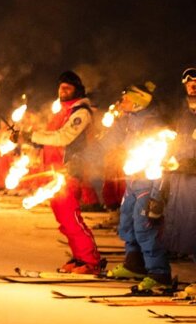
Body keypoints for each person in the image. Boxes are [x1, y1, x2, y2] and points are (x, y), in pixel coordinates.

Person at [29, 70, 103, 273]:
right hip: (55, 171)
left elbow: (63, 137)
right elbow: (49, 135)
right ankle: (79, 257)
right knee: (63, 217)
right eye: (61, 87)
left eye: (68, 88)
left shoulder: (80, 112)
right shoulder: (62, 111)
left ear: (77, 91)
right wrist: (29, 139)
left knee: (71, 216)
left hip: (71, 169)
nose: (63, 91)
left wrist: (32, 136)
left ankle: (91, 260)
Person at [103, 82, 171, 292]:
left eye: (126, 99)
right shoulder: (129, 120)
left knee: (145, 226)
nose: (122, 102)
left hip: (147, 182)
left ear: (139, 102)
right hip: (132, 180)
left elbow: (161, 156)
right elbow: (114, 143)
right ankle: (134, 264)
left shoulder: (152, 123)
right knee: (127, 222)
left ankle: (158, 272)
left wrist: (157, 194)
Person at [162, 67, 196, 264]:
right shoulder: (181, 110)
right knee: (177, 209)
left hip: (192, 169)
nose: (193, 88)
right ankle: (178, 248)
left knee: (193, 213)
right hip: (179, 169)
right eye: (190, 84)